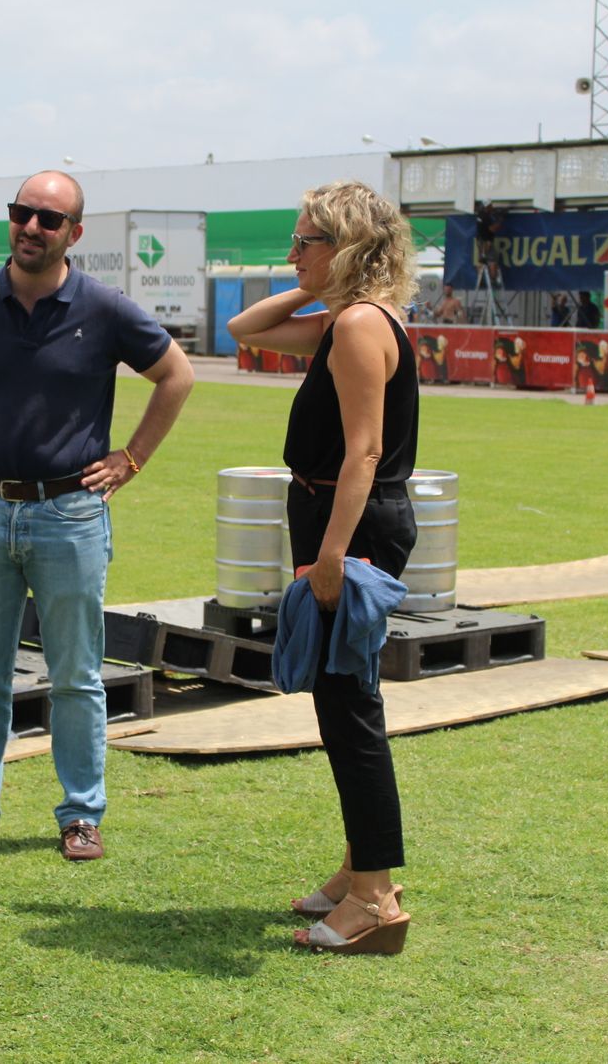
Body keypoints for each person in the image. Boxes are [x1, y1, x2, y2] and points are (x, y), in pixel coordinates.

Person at [0, 171, 194, 862]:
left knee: (76, 674)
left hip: (70, 513)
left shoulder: (104, 309)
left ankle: (80, 814)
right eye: (20, 214)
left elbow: (176, 375)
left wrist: (132, 457)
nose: (31, 228)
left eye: (49, 218)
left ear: (74, 232)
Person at [227, 180, 420, 956]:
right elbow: (247, 328)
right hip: (336, 520)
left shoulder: (361, 326)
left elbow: (365, 451)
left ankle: (373, 895)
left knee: (348, 709)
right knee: (340, 703)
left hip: (353, 527)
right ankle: (355, 868)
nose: (291, 253)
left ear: (345, 247)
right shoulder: (350, 321)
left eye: (305, 240)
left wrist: (333, 556)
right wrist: (316, 282)